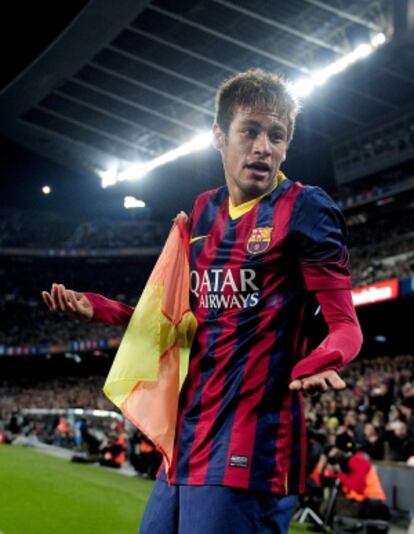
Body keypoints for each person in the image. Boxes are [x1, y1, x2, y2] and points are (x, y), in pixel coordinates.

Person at [42, 69, 363, 534]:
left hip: (252, 442)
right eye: (249, 131)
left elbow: (346, 327)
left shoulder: (306, 209)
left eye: (277, 135)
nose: (263, 147)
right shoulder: (202, 213)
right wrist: (102, 309)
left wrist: (318, 359)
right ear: (218, 134)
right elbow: (180, 326)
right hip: (188, 436)